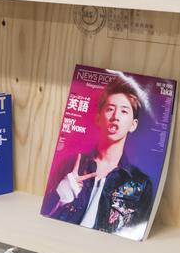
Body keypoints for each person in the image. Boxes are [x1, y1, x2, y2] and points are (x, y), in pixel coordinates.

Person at [46, 74, 154, 236]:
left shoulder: (140, 183)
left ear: (133, 125)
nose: (115, 117)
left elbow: (136, 234)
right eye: (110, 109)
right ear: (98, 118)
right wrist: (62, 196)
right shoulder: (69, 164)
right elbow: (45, 216)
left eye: (124, 111)